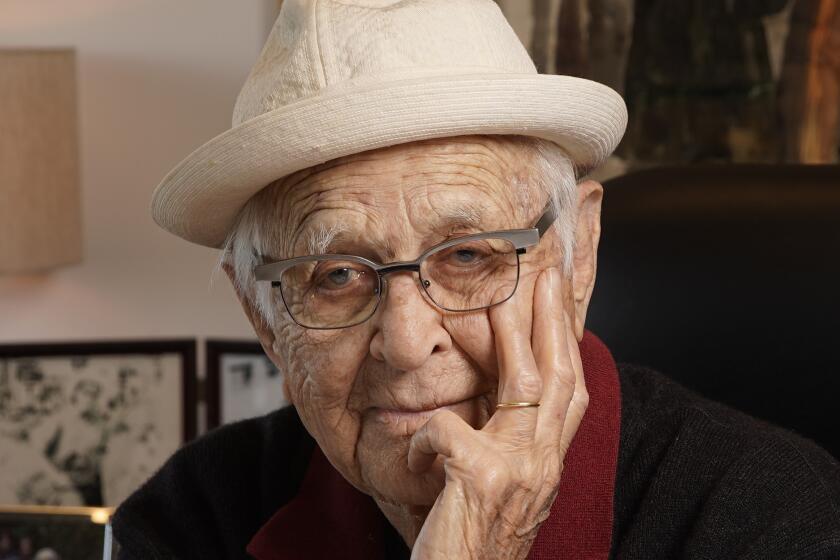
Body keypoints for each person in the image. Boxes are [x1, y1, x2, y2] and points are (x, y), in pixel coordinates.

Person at [112, 0, 840, 558]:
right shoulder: (192, 518)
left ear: (577, 255)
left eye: (467, 256)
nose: (404, 341)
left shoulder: (774, 517)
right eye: (336, 274)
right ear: (264, 316)